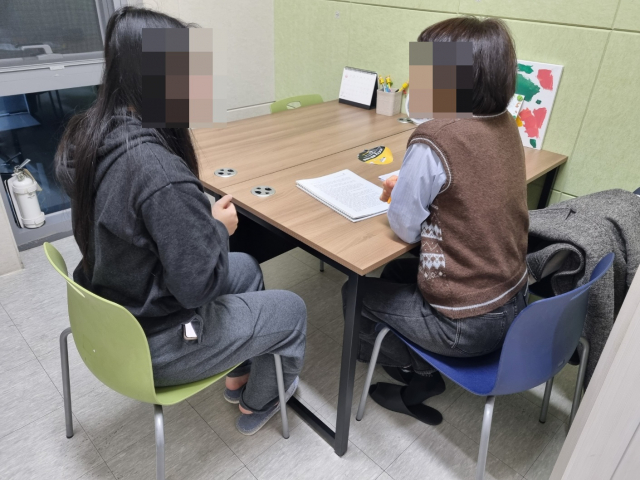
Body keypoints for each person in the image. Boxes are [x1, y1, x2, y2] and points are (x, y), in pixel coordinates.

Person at [55, 7, 306, 435]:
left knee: (247, 268)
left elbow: (142, 224)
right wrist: (216, 229)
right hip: (155, 341)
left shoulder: (94, 135)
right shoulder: (158, 172)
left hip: (118, 308)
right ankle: (258, 404)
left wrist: (194, 225)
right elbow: (196, 289)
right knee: (293, 309)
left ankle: (237, 377)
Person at [345, 16, 528, 425]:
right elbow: (470, 187)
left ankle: (420, 375)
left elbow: (404, 226)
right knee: (397, 271)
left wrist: (406, 193)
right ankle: (413, 357)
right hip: (515, 302)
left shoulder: (435, 138)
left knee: (353, 292)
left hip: (468, 323)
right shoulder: (505, 125)